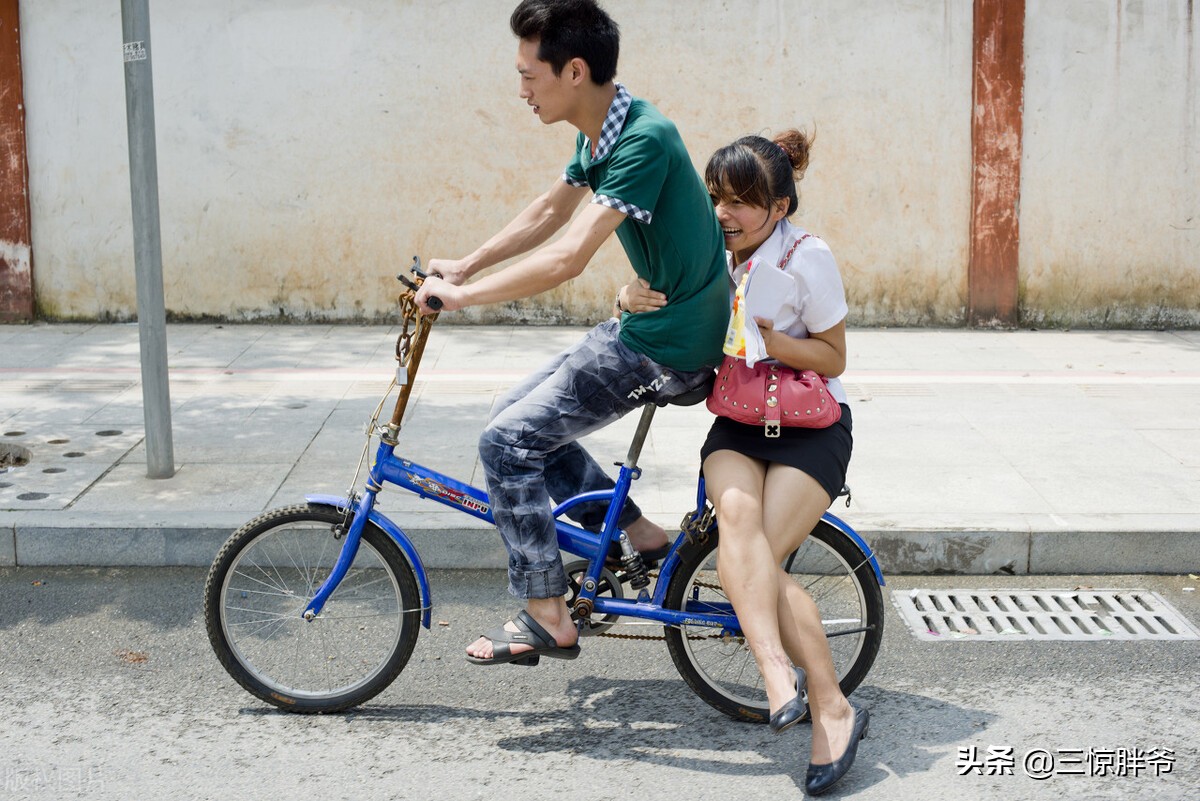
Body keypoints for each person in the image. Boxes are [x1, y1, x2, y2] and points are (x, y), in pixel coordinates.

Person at [414, 0, 728, 667]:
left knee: (504, 444)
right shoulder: (602, 131)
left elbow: (568, 255)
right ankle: (640, 537)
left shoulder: (643, 139)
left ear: (575, 70)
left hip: (671, 346)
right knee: (511, 416)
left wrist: (465, 297)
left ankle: (546, 614)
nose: (521, 89)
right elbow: (547, 212)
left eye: (531, 75)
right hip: (650, 326)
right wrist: (464, 263)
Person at [622, 130, 867, 794]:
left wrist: (768, 338)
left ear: (781, 205)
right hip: (737, 421)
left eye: (742, 201)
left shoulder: (808, 258)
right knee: (735, 522)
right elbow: (661, 297)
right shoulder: (709, 252)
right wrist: (631, 298)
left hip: (808, 426)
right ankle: (779, 676)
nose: (724, 213)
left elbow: (835, 357)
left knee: (755, 554)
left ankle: (833, 707)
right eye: (717, 198)